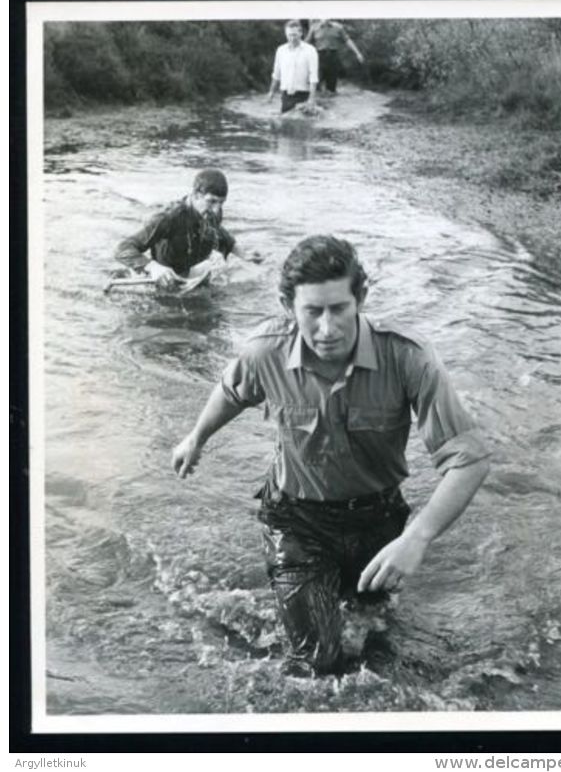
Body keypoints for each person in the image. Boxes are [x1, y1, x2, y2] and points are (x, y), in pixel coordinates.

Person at [172, 236, 491, 676]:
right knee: (317, 662)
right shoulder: (265, 351)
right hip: (296, 521)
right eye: (312, 312)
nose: (327, 328)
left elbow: (469, 460)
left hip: (379, 521)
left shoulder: (407, 357)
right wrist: (196, 437)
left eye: (339, 308)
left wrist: (416, 538)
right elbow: (231, 391)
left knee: (373, 633)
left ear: (360, 298)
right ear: (289, 306)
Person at [114, 168, 262, 290]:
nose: (217, 210)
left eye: (221, 203)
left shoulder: (211, 212)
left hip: (191, 271)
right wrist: (153, 268)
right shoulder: (168, 218)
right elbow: (122, 249)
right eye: (212, 202)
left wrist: (244, 254)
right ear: (196, 195)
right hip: (164, 276)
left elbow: (220, 232)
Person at [268, 20, 319, 114]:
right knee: (286, 125)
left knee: (302, 125)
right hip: (286, 96)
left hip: (303, 95)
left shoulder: (310, 51)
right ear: (285, 34)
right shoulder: (281, 50)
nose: (292, 38)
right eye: (289, 35)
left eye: (294, 35)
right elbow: (276, 74)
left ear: (301, 33)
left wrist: (311, 99)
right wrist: (271, 93)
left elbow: (313, 77)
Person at [305, 19, 364, 94]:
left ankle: (330, 99)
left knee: (331, 87)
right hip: (319, 57)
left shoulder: (338, 27)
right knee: (316, 83)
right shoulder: (314, 28)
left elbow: (348, 41)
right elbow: (306, 43)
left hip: (333, 57)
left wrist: (357, 53)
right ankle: (316, 101)